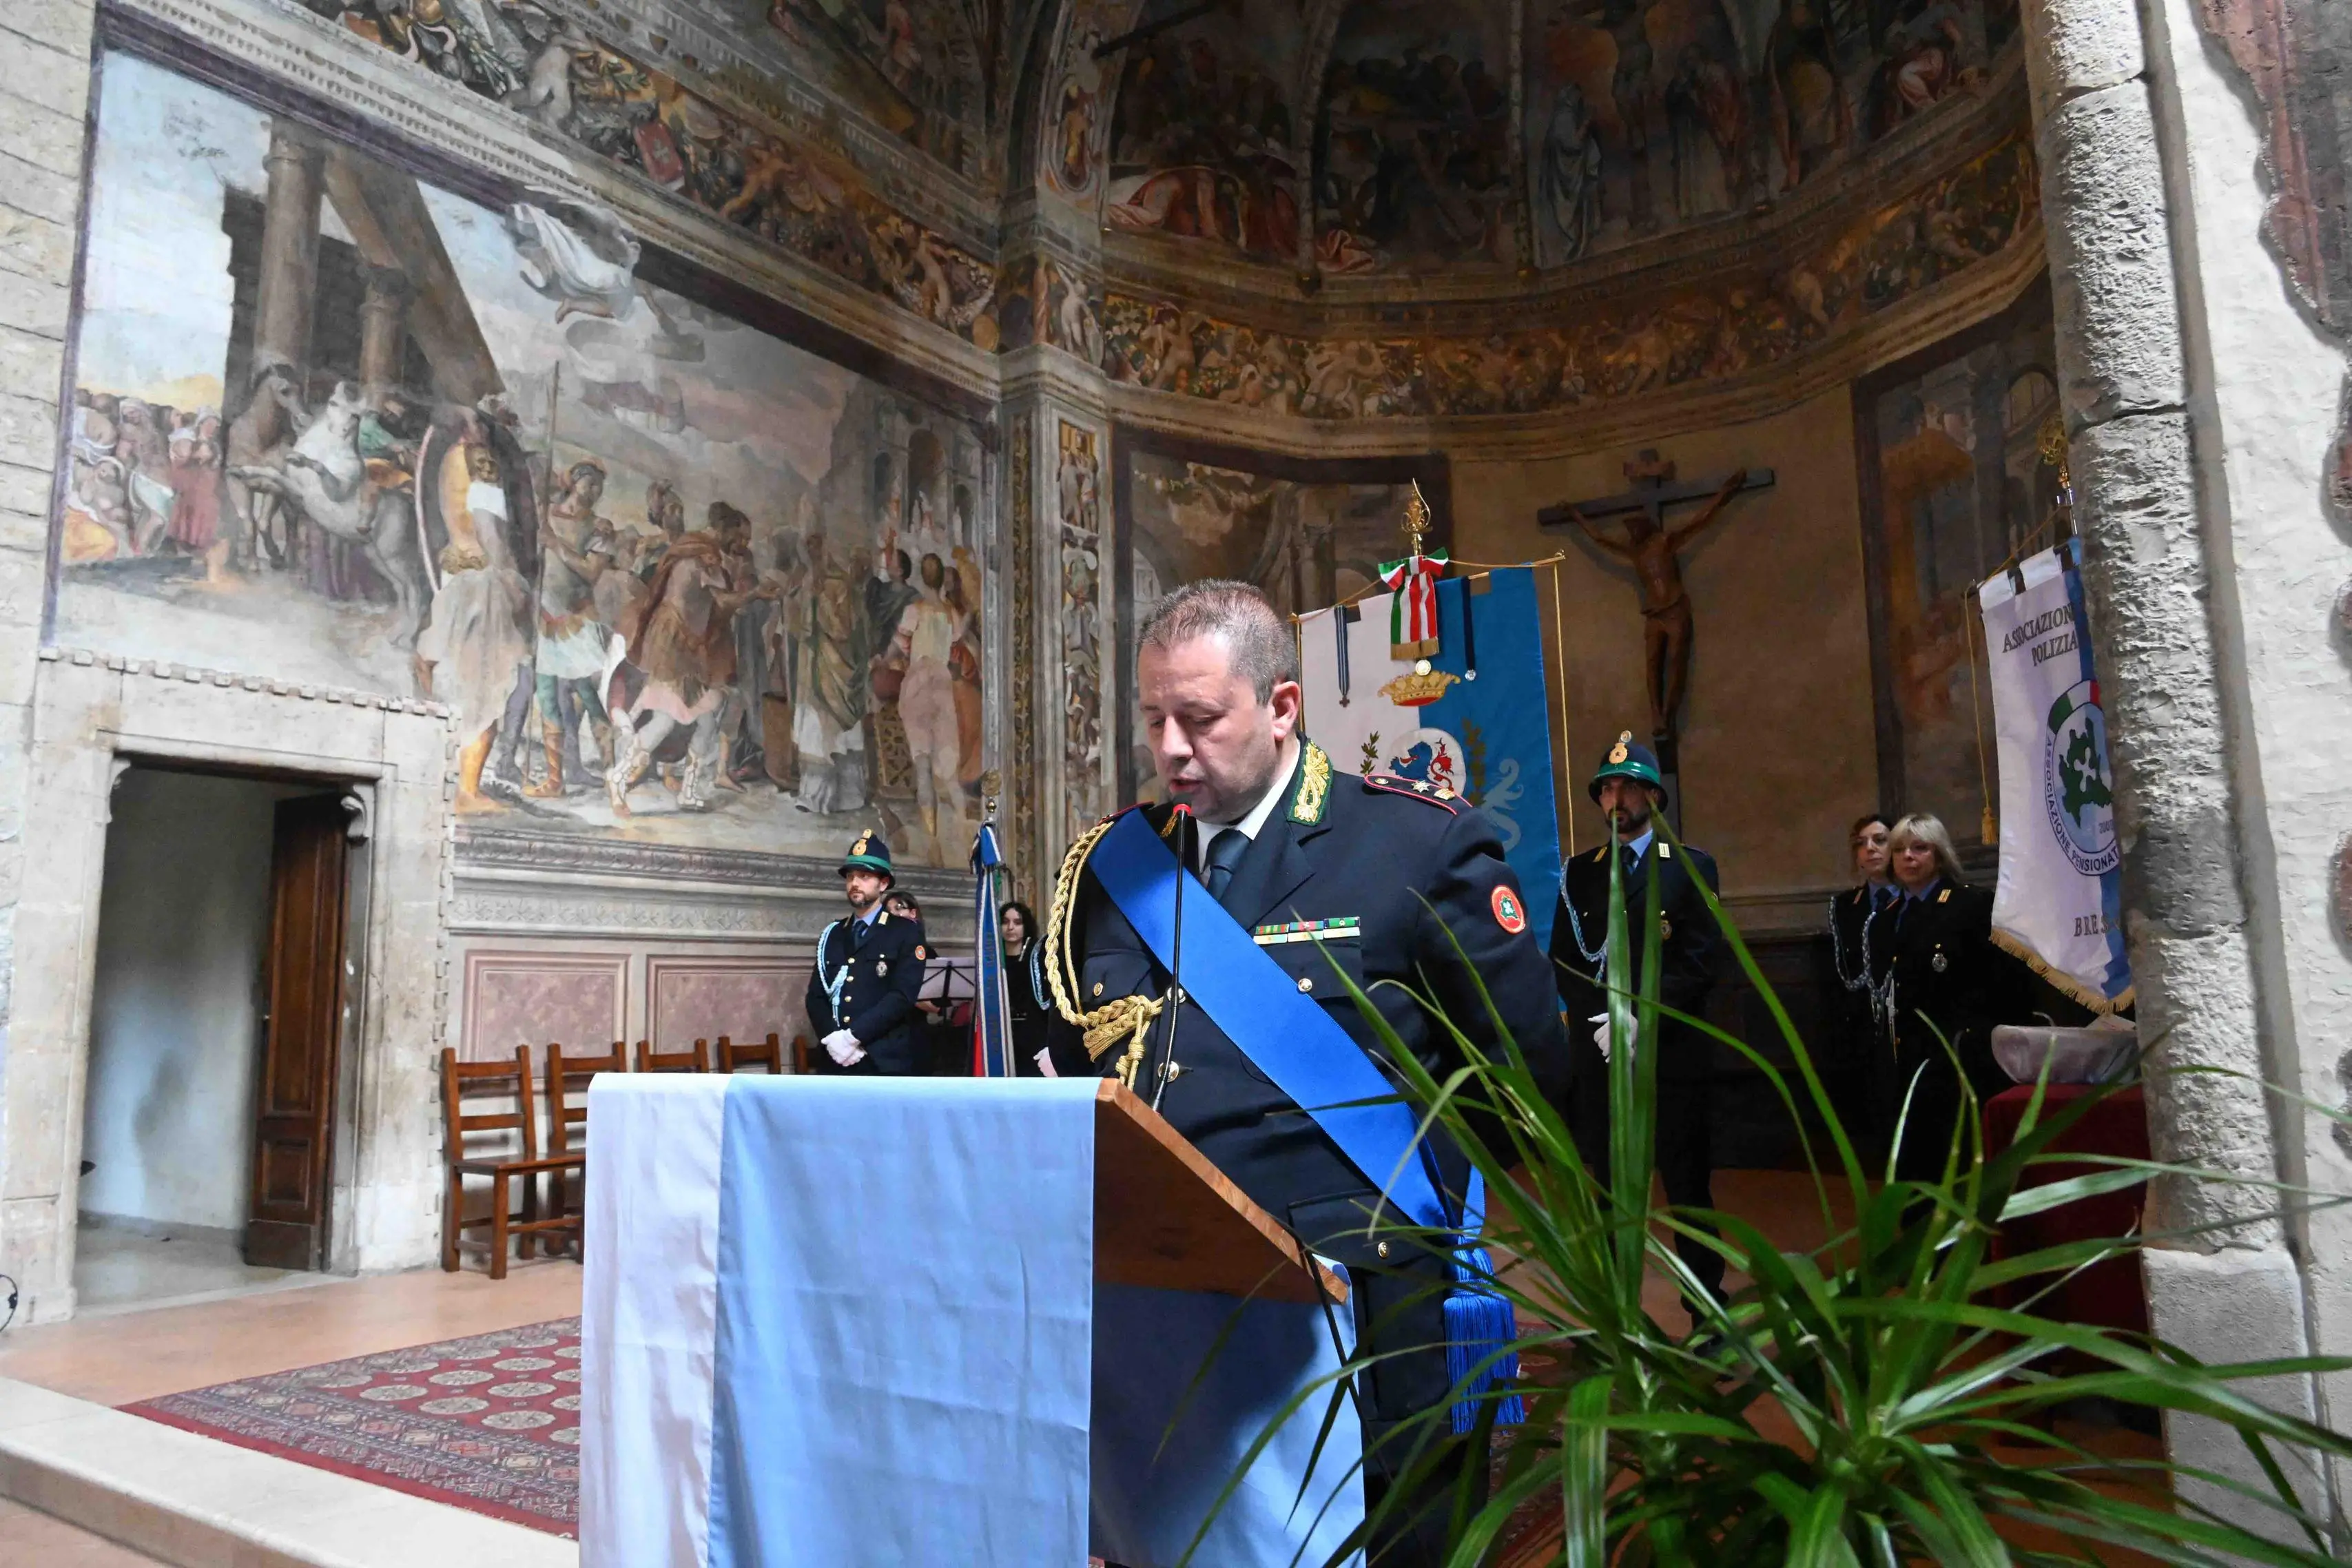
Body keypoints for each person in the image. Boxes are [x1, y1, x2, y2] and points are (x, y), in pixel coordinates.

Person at [1044, 580, 1569, 1565]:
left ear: (1281, 707)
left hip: (1359, 1302)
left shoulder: (1416, 844)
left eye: (1198, 719)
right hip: (1163, 1291)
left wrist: (1434, 1212)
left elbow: (1524, 1075)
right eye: (1153, 719)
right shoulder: (1113, 871)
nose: (1168, 750)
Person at [1549, 730, 1724, 1308]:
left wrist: (1641, 1019)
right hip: (1601, 1059)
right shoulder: (1580, 873)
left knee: (1687, 1192)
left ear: (1654, 799)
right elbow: (1566, 959)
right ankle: (1614, 1310)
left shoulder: (1692, 867)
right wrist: (1601, 1022)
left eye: (1630, 788)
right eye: (1609, 789)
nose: (1618, 799)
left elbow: (1701, 960)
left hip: (1669, 1057)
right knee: (1607, 1192)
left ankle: (1706, 1314)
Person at [1877, 812, 2027, 1181]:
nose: (1908, 857)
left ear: (1940, 854)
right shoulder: (1888, 916)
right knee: (1914, 1160)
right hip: (1908, 1055)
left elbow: (2001, 982)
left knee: (1956, 1156)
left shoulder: (1969, 905)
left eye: (1919, 848)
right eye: (1899, 850)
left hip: (1957, 1052)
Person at [803, 832, 931, 1076]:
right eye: (850, 877)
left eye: (864, 876)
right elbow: (816, 997)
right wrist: (834, 1040)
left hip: (883, 1060)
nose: (854, 883)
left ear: (883, 884)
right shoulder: (833, 934)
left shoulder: (904, 932)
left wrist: (853, 1038)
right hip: (837, 1060)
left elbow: (902, 997)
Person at [1827, 812, 1896, 1144]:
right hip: (1862, 1029)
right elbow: (1843, 973)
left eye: (1880, 840)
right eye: (1861, 844)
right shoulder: (1845, 905)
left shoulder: (1911, 898)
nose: (1870, 849)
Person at [1000, 900, 1055, 1077]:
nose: (1010, 928)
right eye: (1005, 922)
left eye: (1017, 922)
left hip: (1030, 1031)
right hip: (1000, 1030)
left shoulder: (1037, 954)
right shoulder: (992, 959)